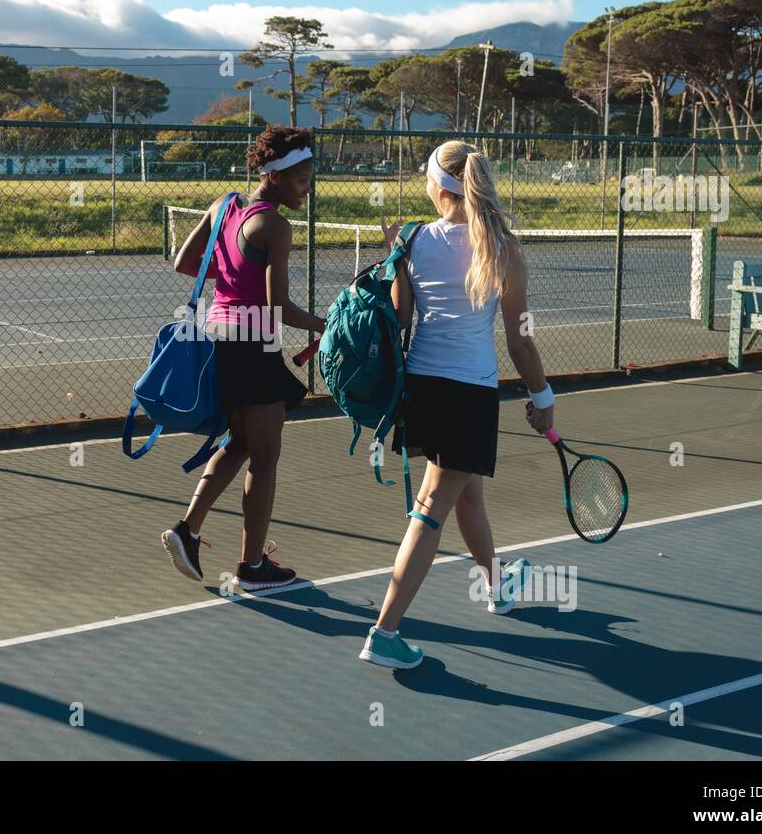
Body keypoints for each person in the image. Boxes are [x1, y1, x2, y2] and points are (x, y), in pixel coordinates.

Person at [359, 140, 554, 669]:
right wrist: (543, 397)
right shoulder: (505, 250)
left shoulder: (413, 239)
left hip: (423, 390)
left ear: (437, 186)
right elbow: (520, 341)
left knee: (468, 495)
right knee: (430, 509)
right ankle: (385, 631)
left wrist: (397, 257)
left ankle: (496, 585)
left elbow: (401, 320)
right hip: (469, 394)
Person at [160, 126, 326, 591]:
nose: (307, 188)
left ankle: (187, 530)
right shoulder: (274, 226)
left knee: (240, 444)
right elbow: (279, 308)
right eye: (301, 180)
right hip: (254, 346)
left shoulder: (224, 204)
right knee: (265, 457)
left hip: (219, 339)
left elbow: (184, 263)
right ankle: (252, 567)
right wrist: (328, 324)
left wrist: (234, 272)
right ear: (275, 176)